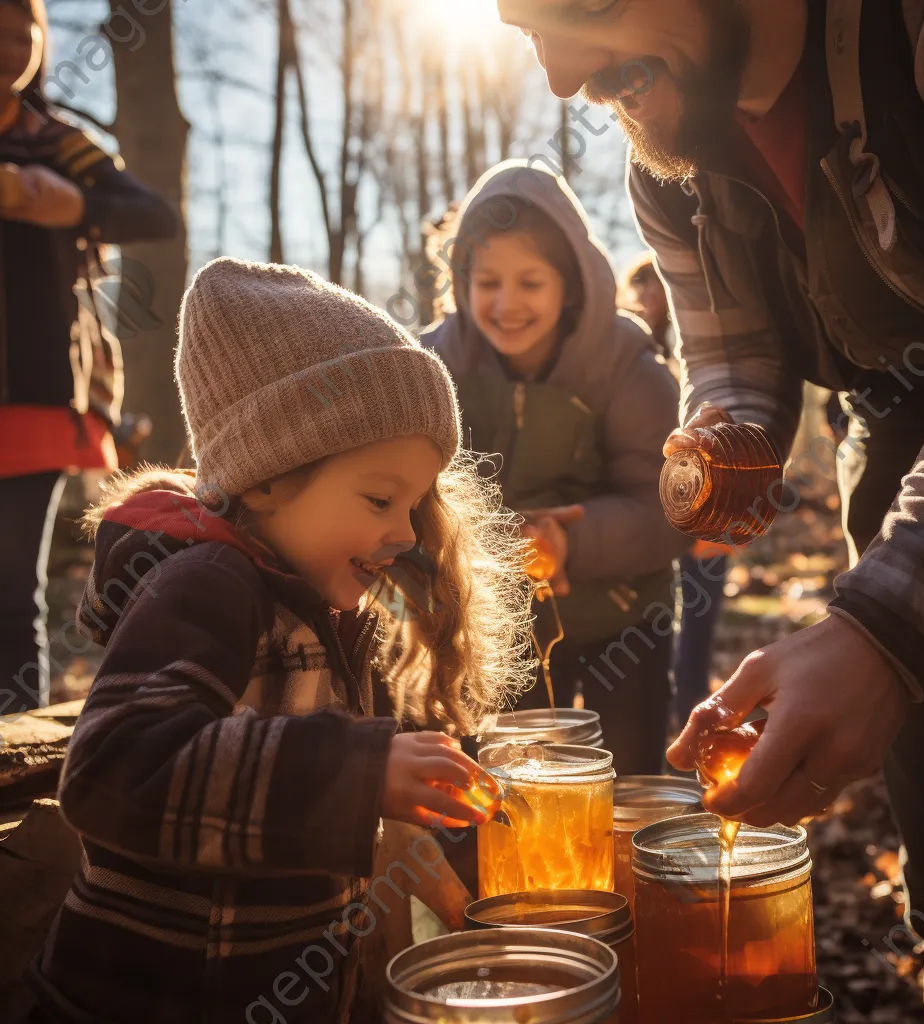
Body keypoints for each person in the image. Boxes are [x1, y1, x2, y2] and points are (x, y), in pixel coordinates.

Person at [503, 0, 924, 1017]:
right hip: (906, 462)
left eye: (582, 9)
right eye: (527, 30)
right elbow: (735, 360)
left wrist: (880, 636)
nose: (562, 78)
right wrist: (707, 460)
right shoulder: (664, 150)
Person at [26, 257, 535, 1023]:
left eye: (416, 502)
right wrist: (358, 773)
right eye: (379, 497)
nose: (403, 533)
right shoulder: (208, 585)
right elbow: (114, 767)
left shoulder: (322, 608)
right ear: (265, 479)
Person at [424, 161, 688, 776]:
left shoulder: (625, 363)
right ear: (462, 282)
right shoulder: (435, 365)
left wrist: (572, 541)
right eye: (487, 282)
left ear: (569, 284)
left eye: (530, 283)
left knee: (624, 792)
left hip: (624, 621)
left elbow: (668, 506)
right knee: (513, 792)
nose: (506, 304)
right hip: (496, 629)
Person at [0, 0, 177, 713]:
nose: (12, 45)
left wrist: (67, 204)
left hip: (39, 393)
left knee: (14, 593)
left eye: (25, 31)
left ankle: (9, 773)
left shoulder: (57, 143)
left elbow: (153, 213)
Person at [620, 253, 730, 732]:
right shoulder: (625, 353)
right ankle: (660, 705)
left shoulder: (699, 350)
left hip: (703, 500)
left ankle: (689, 708)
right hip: (651, 506)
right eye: (639, 284)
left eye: (655, 283)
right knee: (659, 615)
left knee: (701, 606)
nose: (648, 294)